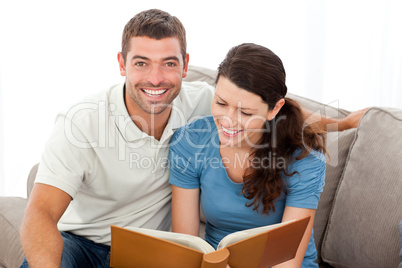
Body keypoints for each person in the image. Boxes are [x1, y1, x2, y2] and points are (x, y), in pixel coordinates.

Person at [19, 8, 365, 268]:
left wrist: (344, 123)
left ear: (185, 65)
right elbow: (41, 212)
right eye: (141, 63)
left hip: (149, 251)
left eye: (168, 63)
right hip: (84, 242)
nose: (156, 78)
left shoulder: (201, 102)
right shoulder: (85, 122)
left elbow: (281, 110)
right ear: (122, 64)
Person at [169, 43, 326, 267]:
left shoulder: (305, 160)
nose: (228, 120)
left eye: (245, 112)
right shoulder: (190, 142)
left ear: (274, 109)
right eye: (221, 103)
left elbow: (288, 261)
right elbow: (188, 246)